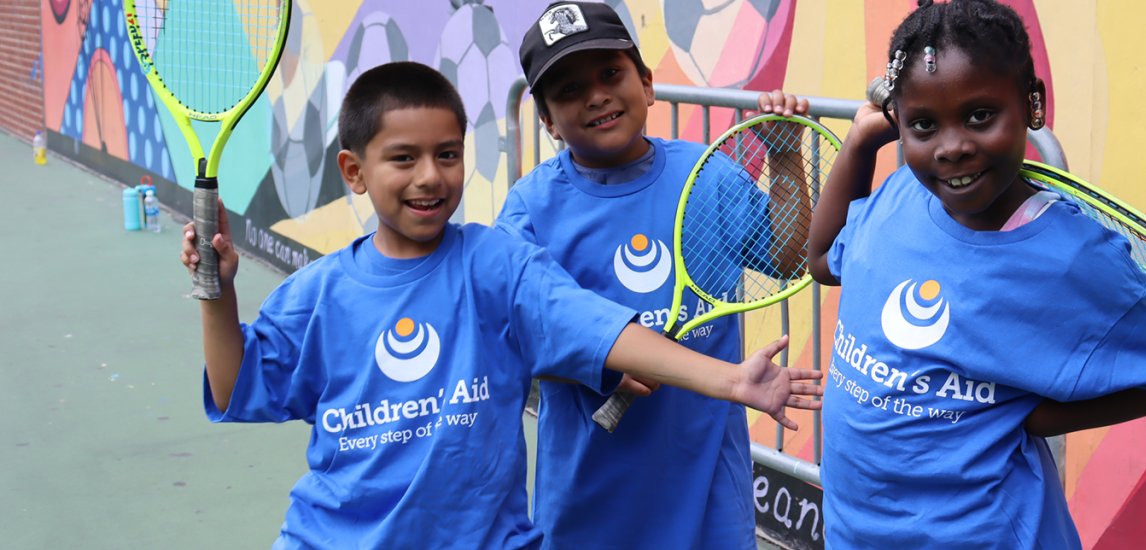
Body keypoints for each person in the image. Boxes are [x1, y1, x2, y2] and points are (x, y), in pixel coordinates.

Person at [179, 61, 822, 549]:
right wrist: (219, 293)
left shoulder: (497, 265)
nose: (430, 176)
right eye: (403, 159)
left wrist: (731, 379)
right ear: (354, 171)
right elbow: (237, 388)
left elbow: (599, 331)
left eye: (448, 155)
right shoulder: (317, 295)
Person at [805, 0, 1146, 547]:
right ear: (897, 122)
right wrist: (859, 143)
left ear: (1032, 105)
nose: (953, 147)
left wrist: (1033, 418)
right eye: (924, 125)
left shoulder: (1071, 254)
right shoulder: (900, 194)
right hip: (859, 531)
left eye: (979, 116)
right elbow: (825, 259)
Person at [495, 3, 813, 548]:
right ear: (546, 120)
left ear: (646, 84)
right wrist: (591, 365)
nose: (595, 95)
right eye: (569, 90)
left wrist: (785, 162)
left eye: (610, 74)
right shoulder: (530, 208)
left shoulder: (707, 175)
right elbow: (515, 333)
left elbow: (789, 257)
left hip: (710, 492)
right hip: (588, 500)